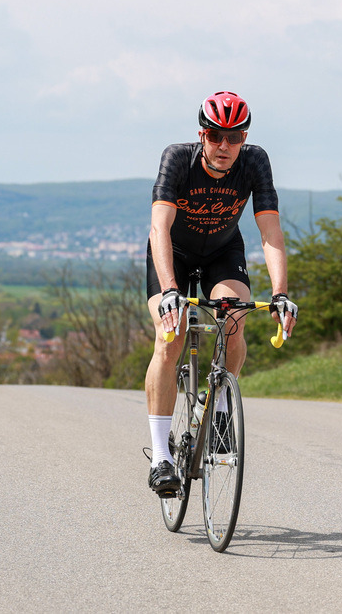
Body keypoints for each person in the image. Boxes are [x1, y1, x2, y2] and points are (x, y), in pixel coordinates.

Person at [144, 91, 298, 496]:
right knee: (170, 335)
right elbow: (159, 227)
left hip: (221, 251)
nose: (225, 146)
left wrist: (280, 293)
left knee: (234, 318)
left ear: (244, 138)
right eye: (215, 136)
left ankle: (221, 410)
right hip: (172, 254)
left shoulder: (254, 162)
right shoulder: (178, 158)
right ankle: (161, 457)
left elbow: (270, 231)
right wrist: (170, 290)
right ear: (202, 135)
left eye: (235, 136)